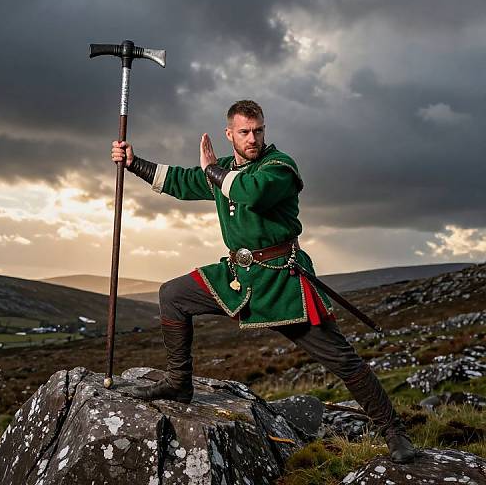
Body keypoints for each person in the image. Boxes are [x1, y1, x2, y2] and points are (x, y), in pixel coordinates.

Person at [111, 100, 416, 464]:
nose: (252, 138)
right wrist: (134, 163)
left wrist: (211, 171)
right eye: (244, 132)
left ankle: (394, 431)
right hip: (238, 275)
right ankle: (179, 382)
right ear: (230, 134)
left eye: (258, 130)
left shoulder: (280, 167)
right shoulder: (220, 168)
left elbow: (251, 192)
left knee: (343, 360)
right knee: (173, 295)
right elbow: (181, 181)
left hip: (282, 279)